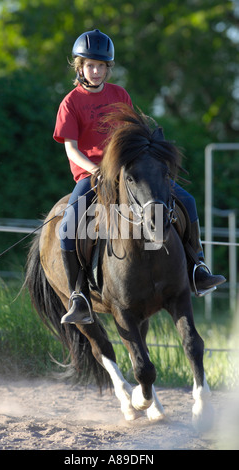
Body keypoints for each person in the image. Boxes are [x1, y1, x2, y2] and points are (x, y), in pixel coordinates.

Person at [53, 29, 225, 325]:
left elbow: (132, 136)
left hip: (130, 172)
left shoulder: (120, 95)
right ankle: (78, 295)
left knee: (186, 200)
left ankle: (197, 269)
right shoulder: (70, 102)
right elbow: (71, 148)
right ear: (79, 67)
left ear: (108, 68)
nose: (95, 71)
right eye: (90, 66)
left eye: (101, 66)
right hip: (93, 176)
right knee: (69, 224)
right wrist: (96, 170)